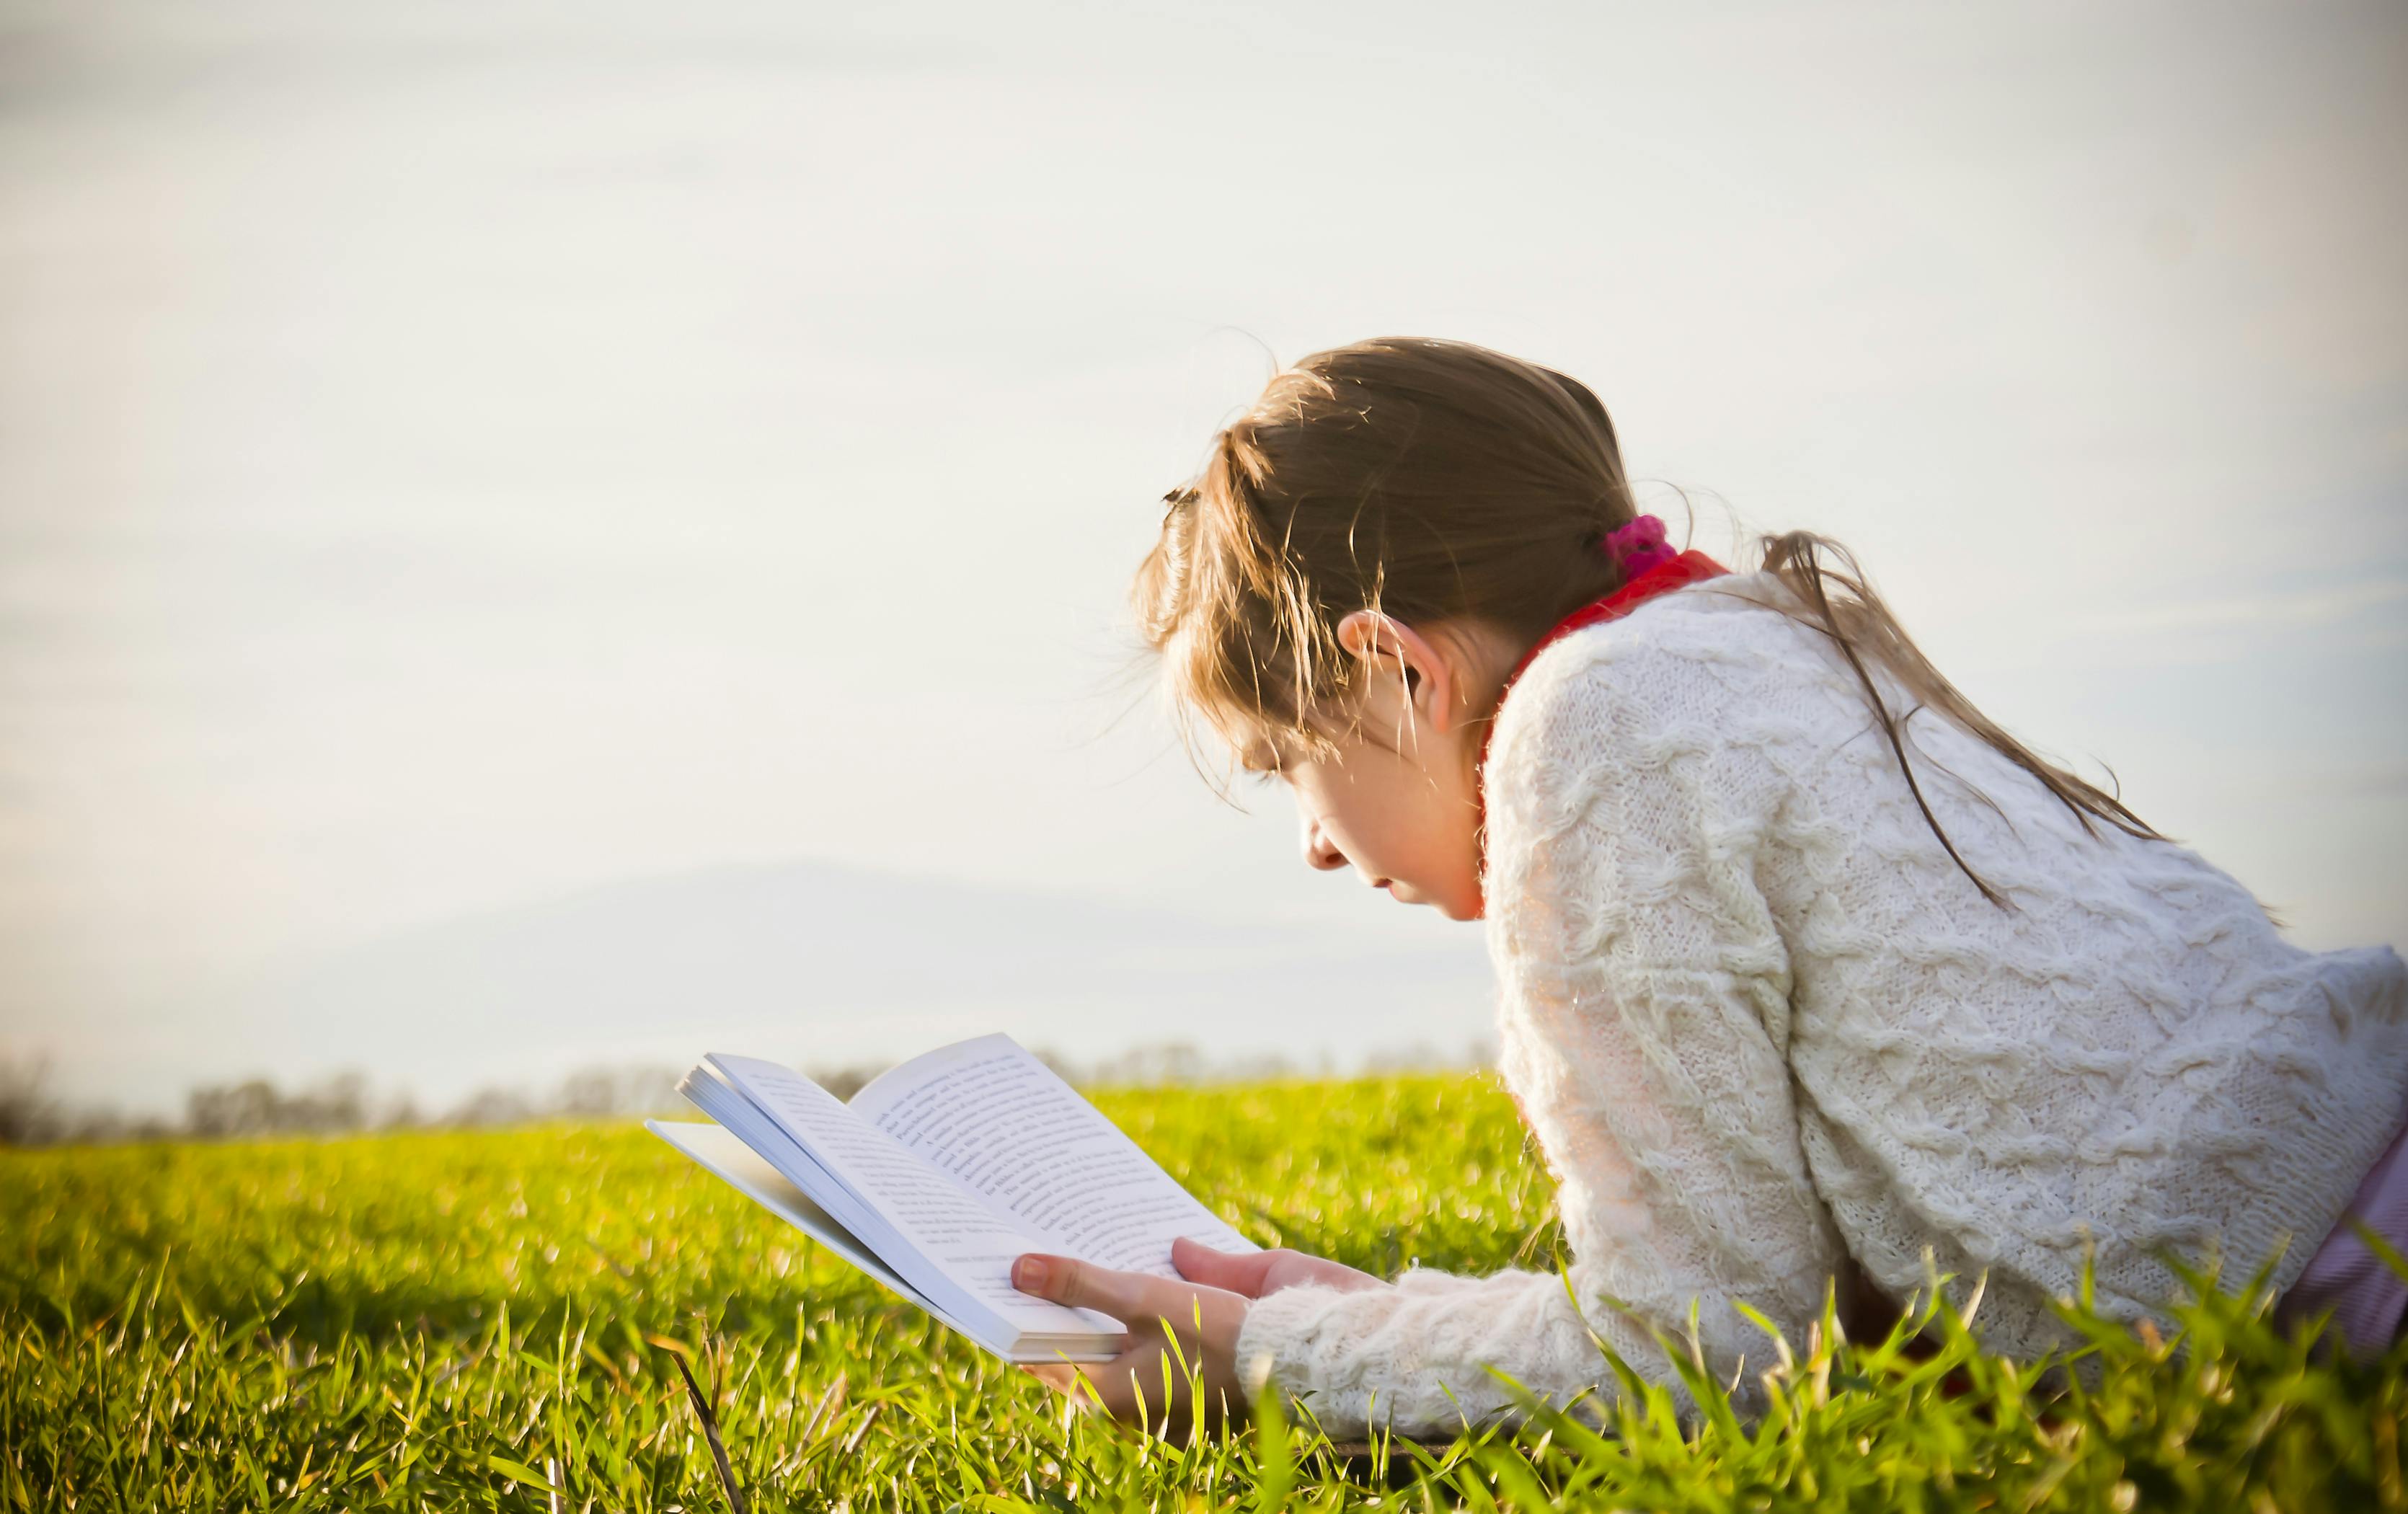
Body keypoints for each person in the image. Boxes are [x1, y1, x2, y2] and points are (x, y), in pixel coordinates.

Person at [1011, 337, 2408, 1438]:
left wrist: (1271, 1361)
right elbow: (1761, 1306)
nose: (1316, 843)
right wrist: (1360, 1323)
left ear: (1395, 669)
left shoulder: (1588, 732)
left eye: (1284, 767)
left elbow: (1703, 1364)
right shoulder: (1734, 645)